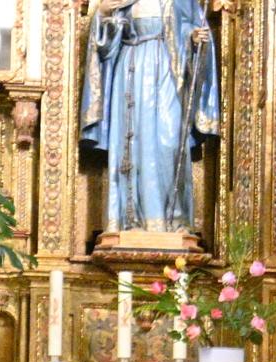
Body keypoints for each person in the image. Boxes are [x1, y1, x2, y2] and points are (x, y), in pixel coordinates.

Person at [80, 0, 220, 234]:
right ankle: (131, 222)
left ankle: (174, 219)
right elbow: (106, 48)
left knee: (171, 144)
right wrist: (103, 15)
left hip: (168, 72)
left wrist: (194, 38)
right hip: (131, 71)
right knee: (134, 145)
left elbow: (192, 29)